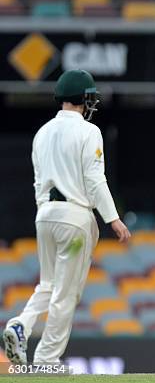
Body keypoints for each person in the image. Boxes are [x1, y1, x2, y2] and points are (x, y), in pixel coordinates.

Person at [2, 70, 131, 365]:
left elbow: (37, 183)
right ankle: (48, 358)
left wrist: (45, 212)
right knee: (66, 292)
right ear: (85, 99)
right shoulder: (89, 132)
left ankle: (21, 324)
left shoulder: (42, 132)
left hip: (45, 215)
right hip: (75, 217)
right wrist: (113, 218)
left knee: (47, 284)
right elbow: (95, 180)